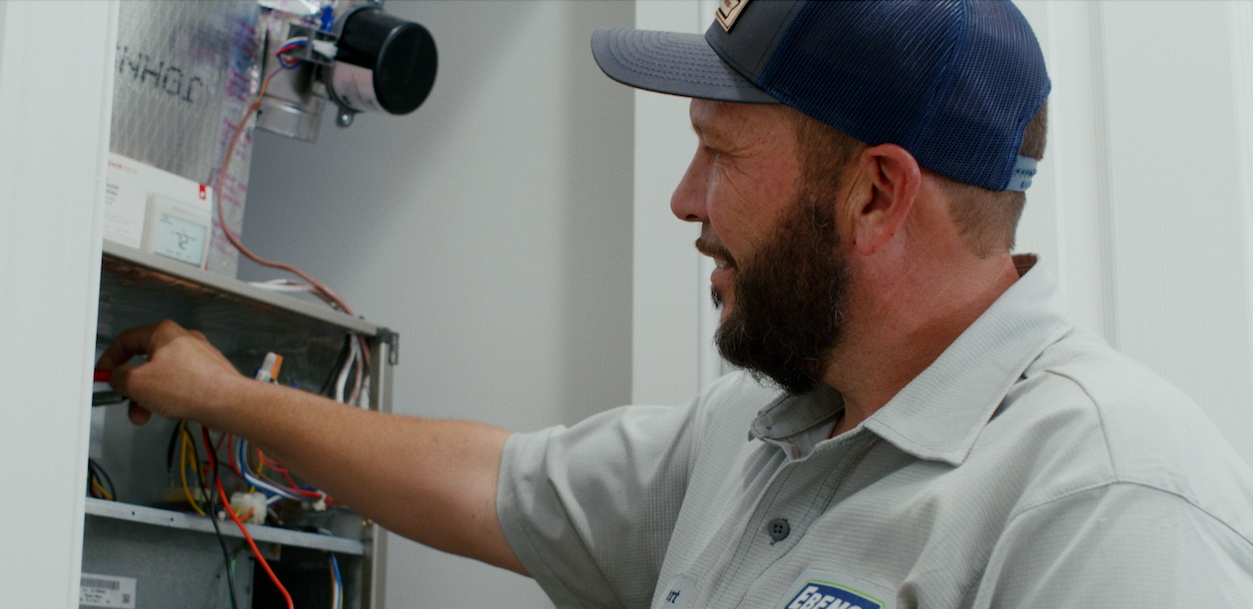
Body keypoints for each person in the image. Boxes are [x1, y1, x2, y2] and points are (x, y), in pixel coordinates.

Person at [100, 1, 1253, 607]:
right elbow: (496, 484)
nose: (682, 200)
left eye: (718, 153)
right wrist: (217, 394)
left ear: (872, 192)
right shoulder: (763, 435)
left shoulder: (1105, 499)